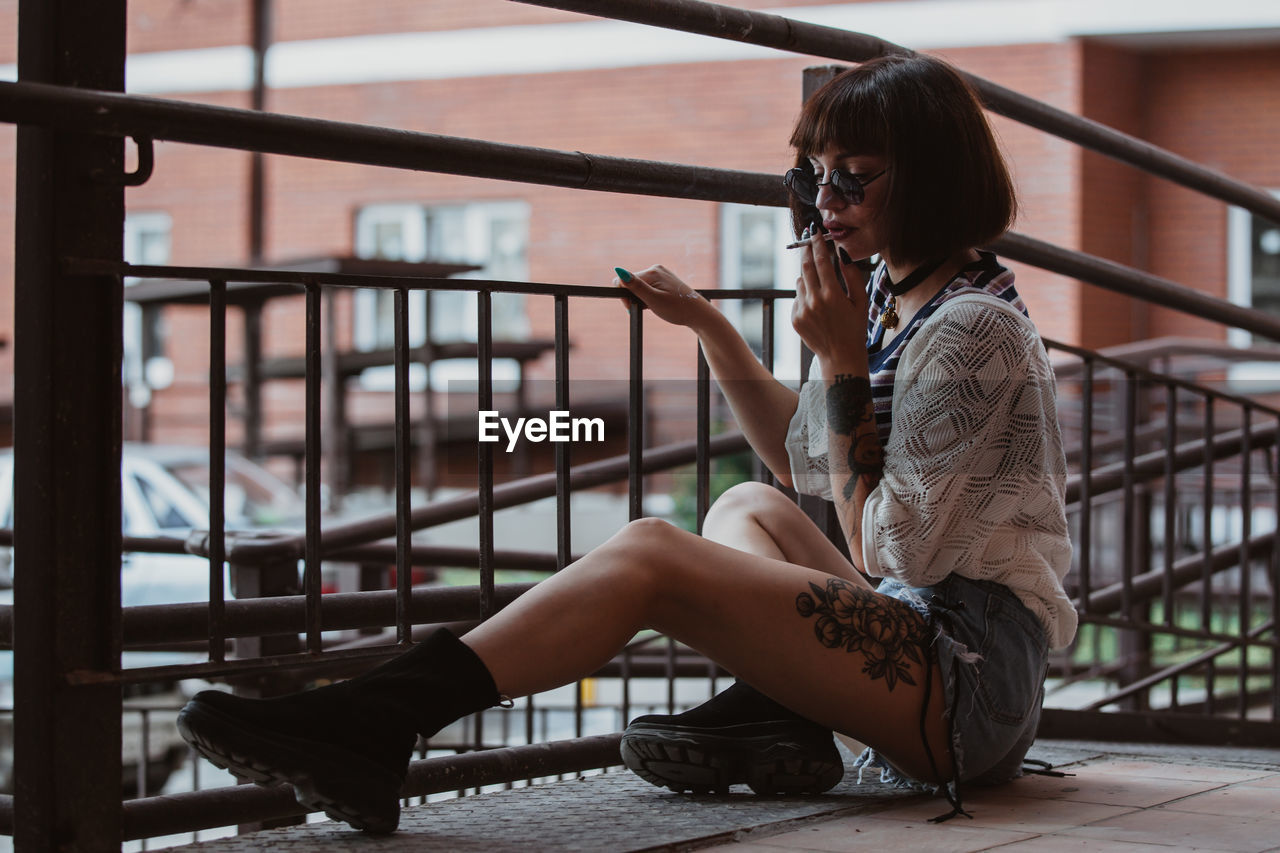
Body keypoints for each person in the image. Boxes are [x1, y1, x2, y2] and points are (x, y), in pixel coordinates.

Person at [177, 53, 1076, 835]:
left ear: (925, 180)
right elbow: (803, 463)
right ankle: (785, 709)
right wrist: (710, 329)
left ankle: (376, 721)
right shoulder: (894, 296)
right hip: (922, 638)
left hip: (969, 686)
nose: (825, 202)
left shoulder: (970, 333)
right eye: (815, 177)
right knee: (746, 506)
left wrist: (838, 358)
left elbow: (893, 544)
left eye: (854, 176)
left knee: (651, 552)